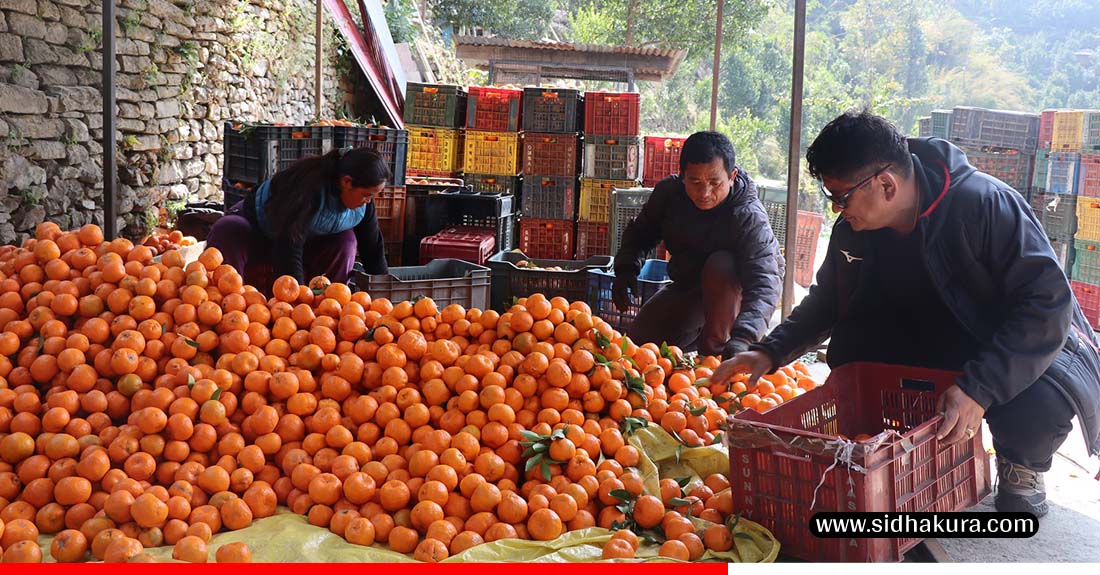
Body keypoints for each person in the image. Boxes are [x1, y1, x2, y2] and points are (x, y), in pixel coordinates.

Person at [714, 110, 1100, 517]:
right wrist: (769, 353)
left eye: (841, 198)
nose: (837, 211)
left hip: (1007, 343)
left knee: (1039, 396)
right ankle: (900, 447)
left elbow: (1046, 305)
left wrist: (979, 388)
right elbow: (830, 299)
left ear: (885, 184)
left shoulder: (983, 205)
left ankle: (1023, 464)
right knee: (857, 354)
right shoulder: (856, 228)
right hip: (934, 341)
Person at [612, 131, 784, 358]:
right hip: (691, 286)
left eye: (715, 183)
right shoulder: (669, 195)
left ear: (731, 177)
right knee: (638, 346)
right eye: (695, 181)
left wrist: (745, 336)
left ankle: (713, 357)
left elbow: (765, 283)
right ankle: (698, 336)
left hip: (736, 295)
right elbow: (641, 232)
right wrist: (625, 270)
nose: (705, 193)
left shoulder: (747, 216)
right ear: (682, 175)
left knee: (723, 264)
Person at [207, 147, 390, 288]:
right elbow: (288, 247)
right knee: (227, 229)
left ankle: (330, 307)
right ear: (347, 182)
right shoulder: (306, 191)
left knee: (345, 240)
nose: (368, 201)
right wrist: (297, 305)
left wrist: (384, 291)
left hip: (307, 241)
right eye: (366, 195)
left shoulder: (362, 205)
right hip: (263, 232)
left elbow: (372, 247)